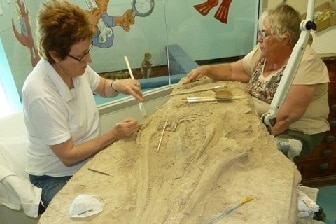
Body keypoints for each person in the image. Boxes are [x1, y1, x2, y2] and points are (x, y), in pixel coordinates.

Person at [21, 0, 143, 211]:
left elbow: (103, 87)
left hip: (87, 160)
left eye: (88, 50)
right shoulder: (40, 92)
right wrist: (114, 134)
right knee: (97, 211)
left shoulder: (77, 66)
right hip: (55, 177)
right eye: (82, 55)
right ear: (55, 55)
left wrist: (118, 85)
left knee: (131, 186)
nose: (89, 59)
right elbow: (68, 156)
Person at [187, 3, 330, 160]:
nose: (259, 39)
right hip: (260, 120)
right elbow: (233, 70)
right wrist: (206, 70)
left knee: (246, 156)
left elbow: (284, 118)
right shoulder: (262, 53)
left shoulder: (305, 62)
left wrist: (247, 138)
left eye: (265, 34)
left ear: (285, 38)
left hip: (295, 131)